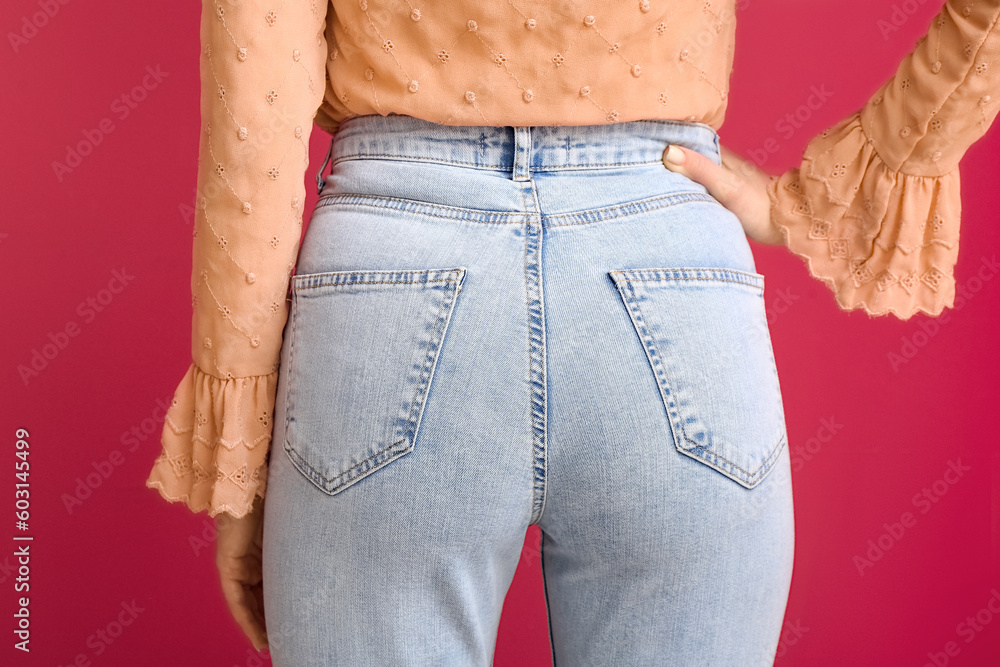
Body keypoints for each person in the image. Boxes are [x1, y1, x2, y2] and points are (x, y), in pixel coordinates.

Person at [145, 1, 1000, 664]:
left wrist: (242, 456)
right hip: (667, 263)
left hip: (389, 272)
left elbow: (254, 110)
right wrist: (865, 175)